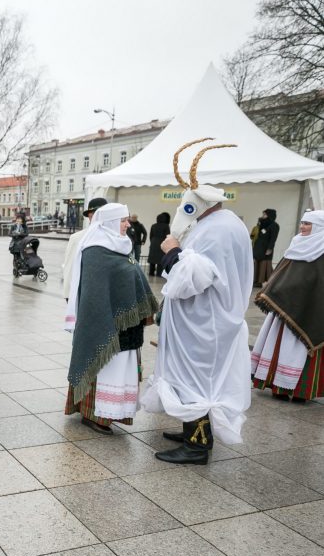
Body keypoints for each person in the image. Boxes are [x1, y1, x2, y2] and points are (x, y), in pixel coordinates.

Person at [141, 141, 253, 465]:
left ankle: (196, 444)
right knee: (194, 377)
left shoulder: (214, 231)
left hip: (204, 323)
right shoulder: (225, 223)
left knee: (196, 378)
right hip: (208, 320)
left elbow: (193, 279)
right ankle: (192, 429)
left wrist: (173, 250)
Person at [63, 203, 159, 434]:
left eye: (127, 219)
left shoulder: (123, 245)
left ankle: (113, 412)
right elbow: (94, 296)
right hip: (105, 324)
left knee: (120, 369)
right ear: (109, 222)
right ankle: (94, 414)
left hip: (127, 326)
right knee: (105, 366)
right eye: (123, 220)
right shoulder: (95, 250)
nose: (128, 224)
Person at [251, 210, 324, 403]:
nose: (302, 227)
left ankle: (301, 391)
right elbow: (281, 273)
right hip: (284, 309)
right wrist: (275, 289)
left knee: (301, 349)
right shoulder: (296, 244)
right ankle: (279, 387)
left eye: (307, 224)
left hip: (311, 310)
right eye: (302, 223)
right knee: (281, 346)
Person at [61, 197, 107, 299]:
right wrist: (69, 295)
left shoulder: (115, 238)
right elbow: (70, 268)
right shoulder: (77, 238)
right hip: (86, 295)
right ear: (90, 216)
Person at [253, 208, 280, 287]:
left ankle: (271, 282)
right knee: (257, 264)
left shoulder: (274, 225)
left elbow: (273, 238)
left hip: (265, 248)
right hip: (258, 247)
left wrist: (270, 248)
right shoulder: (262, 224)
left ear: (270, 215)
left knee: (264, 265)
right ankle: (257, 282)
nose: (262, 216)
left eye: (265, 214)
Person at [147, 212, 171, 276]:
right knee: (160, 259)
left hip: (153, 242)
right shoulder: (166, 226)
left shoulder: (153, 225)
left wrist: (152, 242)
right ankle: (159, 273)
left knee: (152, 259)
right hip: (162, 242)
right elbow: (167, 235)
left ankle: (151, 273)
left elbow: (151, 235)